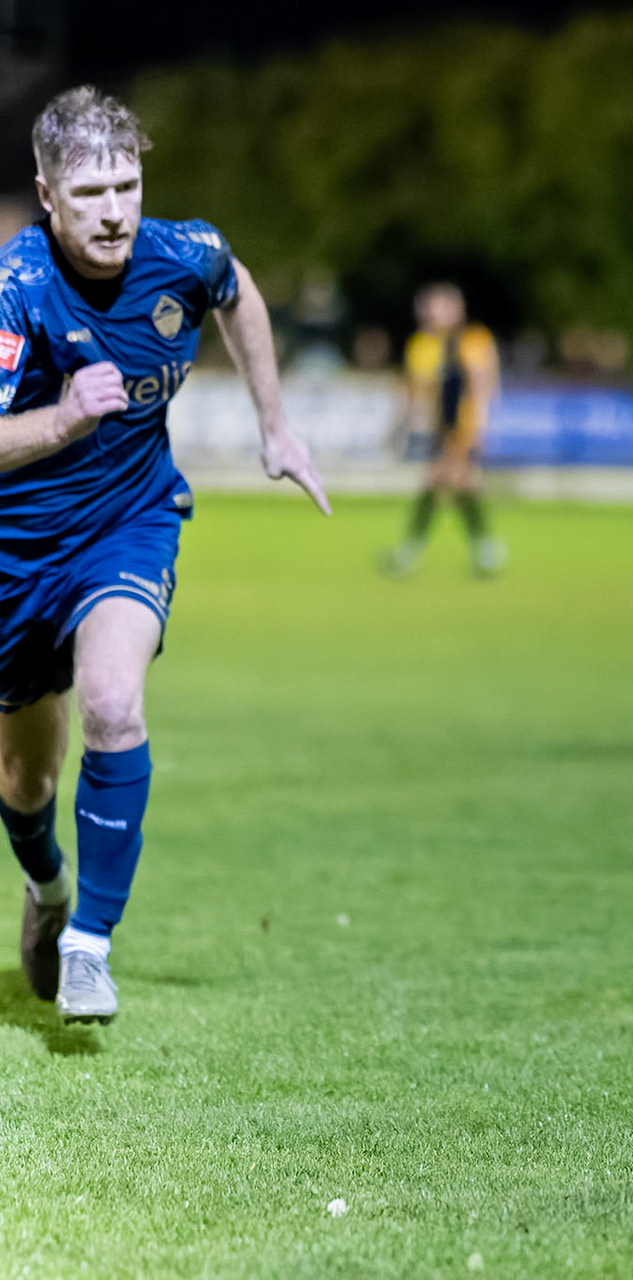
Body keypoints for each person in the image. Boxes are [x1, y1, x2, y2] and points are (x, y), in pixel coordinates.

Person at [0, 87, 330, 1022]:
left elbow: (238, 288)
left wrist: (275, 424)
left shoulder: (183, 252)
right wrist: (62, 419)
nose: (114, 212)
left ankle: (90, 941)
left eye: (128, 186)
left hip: (130, 524)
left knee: (112, 702)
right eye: (89, 193)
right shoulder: (16, 289)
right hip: (17, 552)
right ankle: (49, 886)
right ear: (48, 196)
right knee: (25, 782)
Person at [382, 282, 504, 578]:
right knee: (454, 485)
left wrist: (483, 423)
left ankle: (415, 549)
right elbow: (413, 390)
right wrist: (399, 424)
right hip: (437, 429)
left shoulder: (475, 340)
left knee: (445, 482)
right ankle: (483, 548)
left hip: (465, 426)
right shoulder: (421, 345)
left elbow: (486, 384)